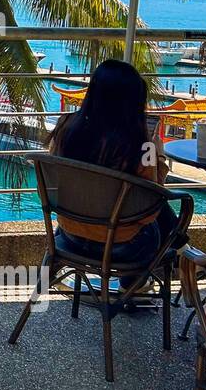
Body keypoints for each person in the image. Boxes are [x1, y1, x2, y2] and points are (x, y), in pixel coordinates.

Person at [46, 58, 185, 266]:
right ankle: (136, 281)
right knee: (161, 208)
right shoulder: (142, 145)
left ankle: (183, 251)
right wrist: (160, 156)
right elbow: (149, 211)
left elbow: (53, 184)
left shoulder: (66, 128)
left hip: (69, 235)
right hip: (123, 247)